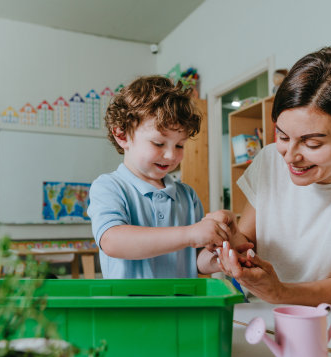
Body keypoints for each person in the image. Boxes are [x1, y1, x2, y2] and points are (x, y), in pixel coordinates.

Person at [205, 47, 331, 306]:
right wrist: (232, 240)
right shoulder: (269, 159)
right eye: (283, 136)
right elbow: (249, 244)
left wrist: (280, 293)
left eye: (312, 144)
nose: (289, 156)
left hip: (330, 320)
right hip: (261, 314)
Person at [88, 75, 233, 279]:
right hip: (131, 309)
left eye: (180, 145)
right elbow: (112, 241)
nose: (172, 155)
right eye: (158, 143)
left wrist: (219, 259)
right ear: (122, 136)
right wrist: (190, 234)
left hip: (181, 307)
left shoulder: (187, 195)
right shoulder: (109, 187)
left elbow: (195, 260)